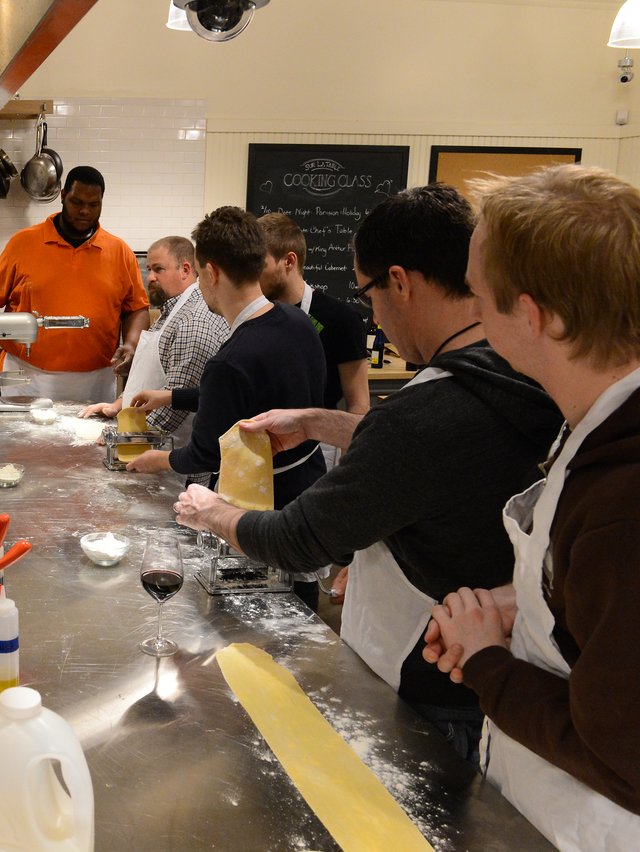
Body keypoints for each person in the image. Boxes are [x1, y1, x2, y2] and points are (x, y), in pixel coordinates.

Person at [173, 184, 562, 762]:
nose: (372, 312)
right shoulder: (515, 370)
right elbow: (445, 451)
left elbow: (299, 541)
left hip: (424, 693)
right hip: (495, 675)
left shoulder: (425, 413)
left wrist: (214, 513)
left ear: (400, 282)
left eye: (368, 292)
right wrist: (321, 422)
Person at [421, 165, 640, 845]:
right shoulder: (597, 421)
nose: (474, 312)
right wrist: (535, 596)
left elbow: (624, 761)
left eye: (480, 295)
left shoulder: (625, 498)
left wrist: (487, 662)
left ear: (534, 315)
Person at [125, 208, 328, 607]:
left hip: (261, 511)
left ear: (212, 273)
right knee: (301, 611)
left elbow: (203, 453)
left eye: (199, 275)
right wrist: (172, 396)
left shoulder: (231, 359)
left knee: (270, 614)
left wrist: (158, 459)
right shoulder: (296, 321)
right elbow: (251, 400)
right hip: (309, 492)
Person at [0, 166, 150, 403]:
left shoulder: (119, 251)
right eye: (77, 202)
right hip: (28, 375)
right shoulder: (24, 243)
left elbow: (136, 308)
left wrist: (131, 344)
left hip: (96, 379)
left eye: (93, 204)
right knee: (22, 440)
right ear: (63, 195)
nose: (84, 211)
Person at [258, 212, 372, 601]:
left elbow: (359, 408)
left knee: (301, 570)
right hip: (262, 455)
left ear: (288, 262)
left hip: (314, 460)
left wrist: (347, 498)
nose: (251, 274)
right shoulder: (258, 316)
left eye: (260, 262)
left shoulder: (339, 320)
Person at [77, 235, 230, 447]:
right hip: (150, 444)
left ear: (185, 270)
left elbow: (175, 404)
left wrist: (123, 436)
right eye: (149, 269)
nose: (149, 277)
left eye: (158, 269)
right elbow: (151, 377)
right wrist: (120, 405)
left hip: (173, 455)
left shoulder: (194, 320)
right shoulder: (171, 312)